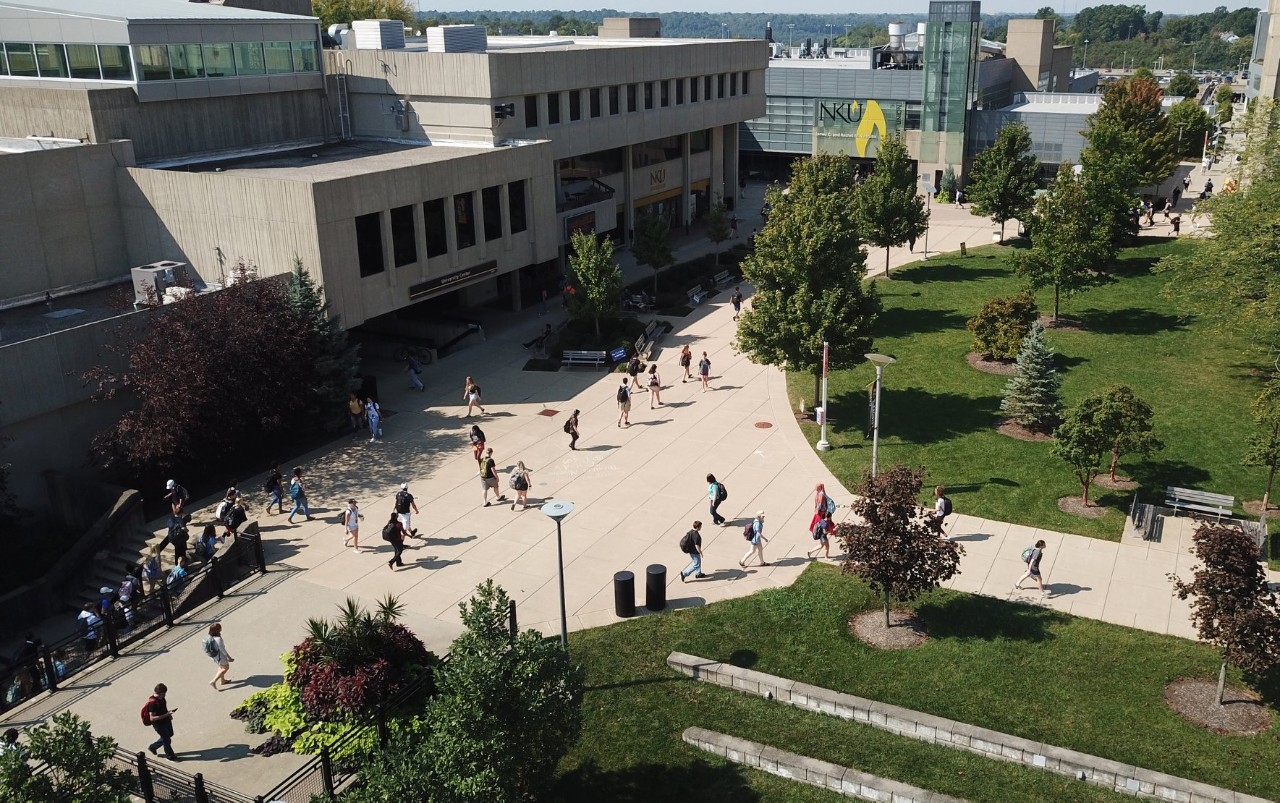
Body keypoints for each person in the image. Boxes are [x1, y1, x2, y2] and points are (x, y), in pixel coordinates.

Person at [145, 683, 179, 761]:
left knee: (170, 734)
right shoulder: (153, 703)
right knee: (167, 740)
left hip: (166, 720)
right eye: (164, 693)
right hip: (159, 725)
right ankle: (170, 756)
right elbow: (152, 718)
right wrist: (166, 714)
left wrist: (168, 715)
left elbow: (163, 708)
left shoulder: (162, 699)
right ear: (159, 693)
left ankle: (153, 747)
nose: (165, 695)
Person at [205, 623, 234, 690]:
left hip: (214, 656)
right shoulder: (218, 639)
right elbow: (223, 650)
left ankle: (223, 680)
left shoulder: (210, 637)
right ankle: (213, 681)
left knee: (221, 667)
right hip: (220, 656)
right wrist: (229, 657)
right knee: (225, 668)